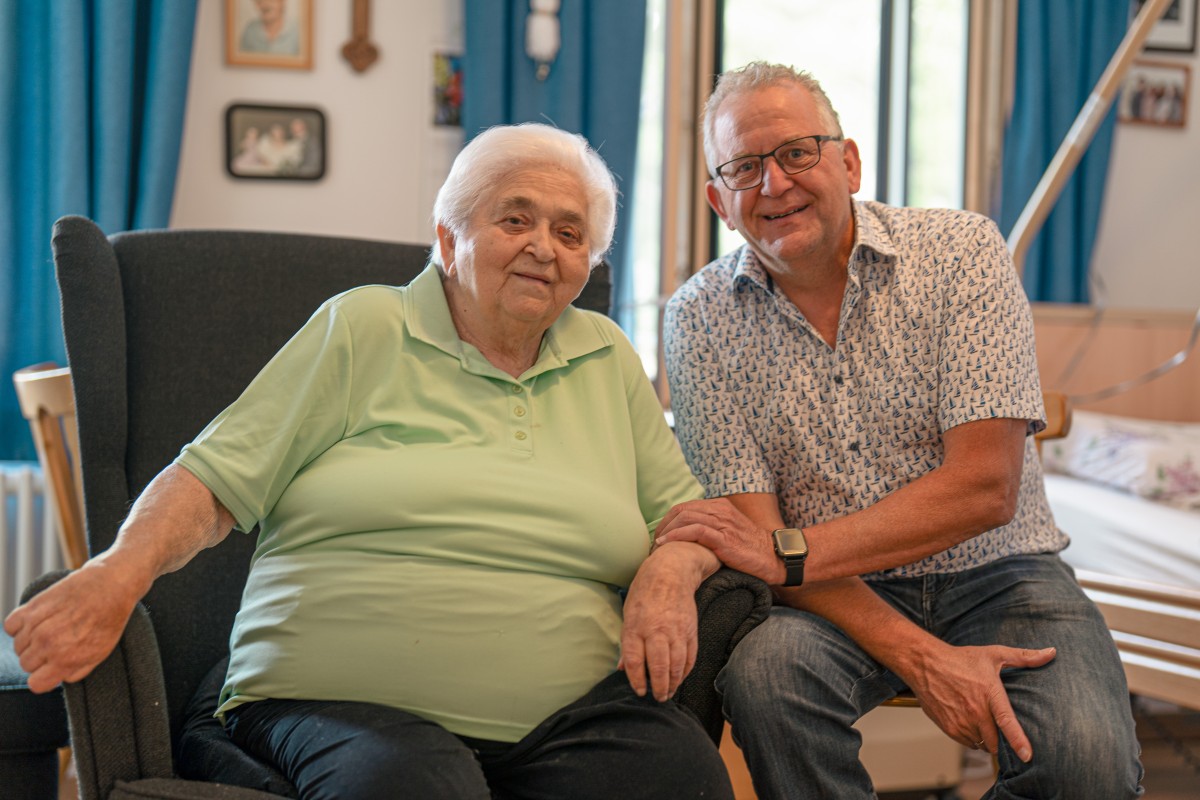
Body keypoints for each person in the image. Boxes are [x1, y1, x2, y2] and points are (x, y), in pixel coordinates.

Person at [5, 123, 735, 800]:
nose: (544, 246)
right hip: (335, 706)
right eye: (515, 219)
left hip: (565, 721)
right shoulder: (363, 329)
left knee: (680, 773)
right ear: (449, 240)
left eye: (570, 232)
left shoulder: (606, 358)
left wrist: (671, 569)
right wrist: (116, 573)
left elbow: (692, 519)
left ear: (588, 264)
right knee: (416, 783)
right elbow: (213, 479)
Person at [656, 62, 1142, 799]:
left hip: (1001, 572)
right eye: (744, 168)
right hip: (829, 595)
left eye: (797, 152)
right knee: (764, 679)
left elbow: (984, 488)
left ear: (848, 162)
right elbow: (760, 544)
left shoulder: (963, 254)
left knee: (1088, 765)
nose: (775, 185)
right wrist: (922, 657)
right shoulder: (697, 320)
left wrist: (786, 552)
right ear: (719, 201)